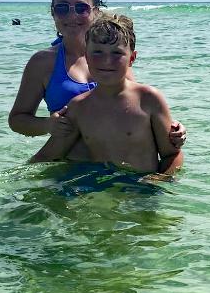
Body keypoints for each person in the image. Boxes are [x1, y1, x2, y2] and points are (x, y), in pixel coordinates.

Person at [8, 0, 186, 159]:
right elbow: (17, 120)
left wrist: (170, 127)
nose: (72, 15)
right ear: (53, 12)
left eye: (81, 8)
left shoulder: (113, 58)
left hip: (116, 165)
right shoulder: (42, 62)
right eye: (62, 8)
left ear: (96, 12)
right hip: (71, 166)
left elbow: (134, 107)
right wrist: (47, 125)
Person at [31, 13, 181, 175]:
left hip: (142, 186)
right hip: (99, 185)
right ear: (87, 57)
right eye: (97, 52)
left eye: (116, 53)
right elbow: (46, 156)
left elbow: (173, 155)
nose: (106, 61)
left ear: (132, 58)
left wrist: (160, 179)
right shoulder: (79, 107)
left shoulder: (148, 99)